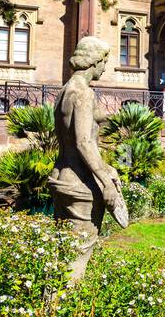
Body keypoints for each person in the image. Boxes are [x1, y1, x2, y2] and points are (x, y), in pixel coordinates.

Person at [47, 36, 128, 281]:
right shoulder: (84, 94)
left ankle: (49, 306)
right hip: (80, 184)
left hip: (61, 176)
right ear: (94, 62)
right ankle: (67, 311)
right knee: (78, 255)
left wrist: (113, 118)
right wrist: (106, 179)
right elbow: (83, 142)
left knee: (63, 250)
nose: (106, 68)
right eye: (104, 62)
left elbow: (86, 119)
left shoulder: (66, 91)